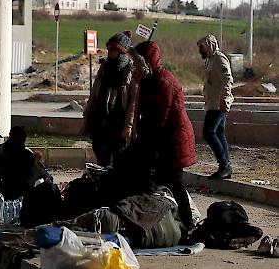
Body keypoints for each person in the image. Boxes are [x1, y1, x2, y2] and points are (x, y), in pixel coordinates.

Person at [128, 41, 196, 232]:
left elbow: (159, 118)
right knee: (153, 180)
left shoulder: (164, 82)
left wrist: (144, 145)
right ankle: (156, 220)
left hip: (172, 140)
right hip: (161, 140)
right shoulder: (149, 80)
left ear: (147, 61)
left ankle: (186, 222)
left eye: (137, 62)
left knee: (174, 181)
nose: (135, 66)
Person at [83, 31, 138, 167]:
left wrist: (128, 126)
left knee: (119, 156)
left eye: (113, 49)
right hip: (101, 119)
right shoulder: (105, 67)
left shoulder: (130, 70)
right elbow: (95, 93)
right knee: (100, 152)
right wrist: (87, 115)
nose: (109, 52)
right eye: (108, 48)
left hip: (118, 120)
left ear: (121, 51)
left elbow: (133, 102)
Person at [197, 35, 234, 180]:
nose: (200, 51)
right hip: (212, 103)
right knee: (218, 133)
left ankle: (224, 165)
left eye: (202, 48)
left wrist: (224, 99)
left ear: (209, 46)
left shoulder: (219, 59)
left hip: (218, 104)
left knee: (209, 132)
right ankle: (226, 167)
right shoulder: (210, 60)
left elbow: (227, 79)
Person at [0, 126, 52, 200]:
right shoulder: (26, 156)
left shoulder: (3, 153)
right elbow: (42, 175)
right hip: (21, 196)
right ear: (23, 139)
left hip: (7, 195)